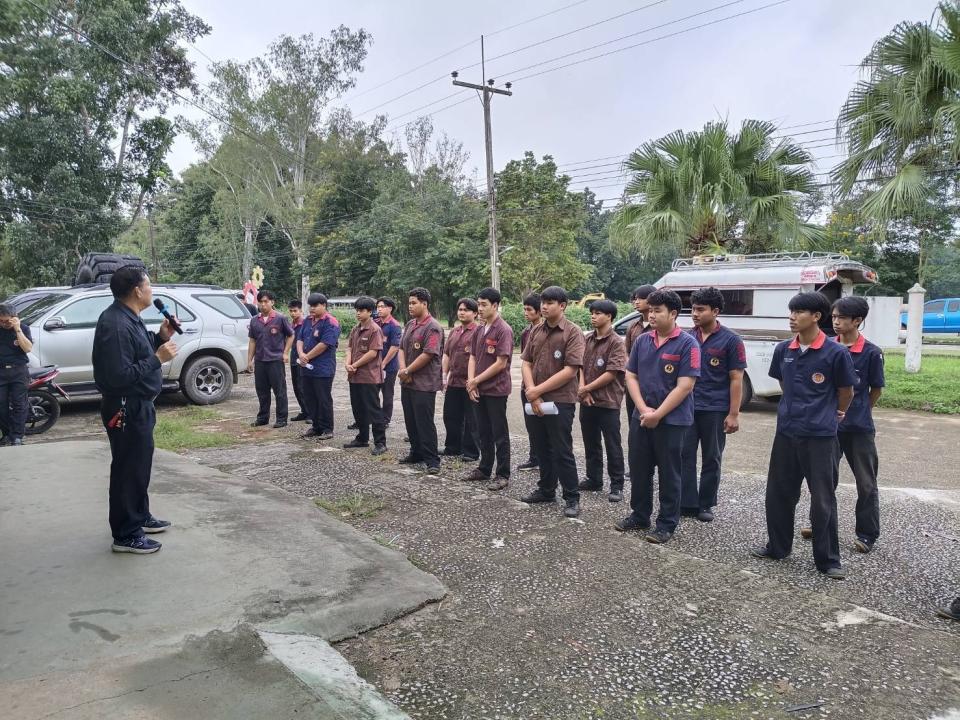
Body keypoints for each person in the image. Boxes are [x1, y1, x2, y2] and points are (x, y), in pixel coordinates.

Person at [751, 292, 856, 580]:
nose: (792, 317)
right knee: (779, 494)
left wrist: (836, 412)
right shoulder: (783, 349)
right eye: (791, 311)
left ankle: (828, 559)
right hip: (787, 432)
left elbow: (846, 391)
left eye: (798, 312)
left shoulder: (836, 353)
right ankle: (777, 547)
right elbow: (784, 382)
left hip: (820, 436)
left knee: (823, 499)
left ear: (816, 317)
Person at [92, 267, 178, 554]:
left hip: (139, 405)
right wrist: (157, 359)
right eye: (149, 285)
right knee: (128, 469)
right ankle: (126, 534)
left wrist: (160, 338)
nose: (152, 290)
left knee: (139, 466)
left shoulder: (130, 317)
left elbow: (137, 351)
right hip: (125, 407)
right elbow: (119, 376)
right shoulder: (115, 324)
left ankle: (139, 516)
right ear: (137, 291)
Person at [615, 289, 700, 544]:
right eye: (650, 310)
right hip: (642, 417)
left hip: (672, 420)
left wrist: (658, 414)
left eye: (657, 311)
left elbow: (685, 385)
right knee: (639, 468)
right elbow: (631, 375)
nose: (651, 315)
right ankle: (640, 515)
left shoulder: (688, 344)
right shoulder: (642, 341)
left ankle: (666, 523)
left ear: (673, 313)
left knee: (669, 472)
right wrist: (643, 409)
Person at [823, 296, 884, 553]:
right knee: (824, 479)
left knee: (866, 483)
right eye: (834, 317)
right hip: (829, 426)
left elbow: (876, 389)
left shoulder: (871, 352)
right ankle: (821, 525)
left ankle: (867, 534)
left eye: (842, 317)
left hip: (859, 428)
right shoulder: (826, 346)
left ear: (858, 320)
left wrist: (860, 411)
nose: (836, 322)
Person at [680, 287, 747, 522]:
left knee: (712, 457)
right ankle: (687, 502)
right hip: (688, 407)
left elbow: (736, 378)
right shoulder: (687, 338)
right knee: (684, 454)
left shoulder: (731, 340)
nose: (695, 314)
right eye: (693, 309)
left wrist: (734, 414)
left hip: (716, 409)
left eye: (701, 309)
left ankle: (706, 503)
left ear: (715, 311)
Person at [520, 286, 586, 519]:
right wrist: (532, 391)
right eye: (543, 302)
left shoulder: (573, 332)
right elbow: (526, 362)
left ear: (563, 305)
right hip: (535, 398)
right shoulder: (536, 330)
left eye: (550, 303)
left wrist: (537, 391)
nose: (544, 307)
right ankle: (546, 490)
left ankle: (572, 497)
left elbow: (570, 371)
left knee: (561, 449)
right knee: (541, 446)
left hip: (560, 401)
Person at [577, 299, 627, 502]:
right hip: (587, 400)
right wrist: (583, 390)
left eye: (598, 313)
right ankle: (594, 478)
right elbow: (579, 366)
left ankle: (617, 484)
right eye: (592, 313)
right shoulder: (587, 339)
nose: (593, 316)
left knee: (612, 444)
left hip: (608, 402)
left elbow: (612, 373)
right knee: (591, 442)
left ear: (609, 316)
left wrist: (586, 388)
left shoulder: (616, 342)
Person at [465, 287, 514, 491]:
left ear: (495, 305)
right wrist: (471, 382)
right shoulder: (479, 329)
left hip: (496, 389)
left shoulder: (503, 330)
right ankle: (484, 468)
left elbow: (501, 363)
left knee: (499, 432)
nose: (480, 308)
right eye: (479, 304)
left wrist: (476, 380)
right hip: (479, 388)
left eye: (484, 305)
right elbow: (472, 357)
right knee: (483, 430)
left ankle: (502, 474)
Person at [398, 287, 444, 473]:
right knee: (410, 420)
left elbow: (428, 354)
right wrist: (403, 370)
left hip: (424, 384)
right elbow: (401, 348)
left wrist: (408, 370)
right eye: (409, 303)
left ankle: (432, 460)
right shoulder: (411, 324)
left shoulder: (433, 327)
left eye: (414, 303)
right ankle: (416, 452)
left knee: (424, 422)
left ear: (424, 304)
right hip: (407, 381)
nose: (410, 306)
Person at [343, 296, 388, 455]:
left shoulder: (374, 329)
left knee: (373, 410)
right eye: (357, 310)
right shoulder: (355, 329)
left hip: (369, 377)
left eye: (361, 310)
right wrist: (347, 363)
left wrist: (354, 365)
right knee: (358, 408)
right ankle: (362, 438)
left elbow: (373, 352)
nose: (358, 313)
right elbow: (349, 348)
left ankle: (380, 442)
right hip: (354, 376)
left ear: (370, 312)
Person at [247, 290, 294, 428]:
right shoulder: (254, 320)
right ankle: (262, 418)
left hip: (275, 360)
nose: (263, 304)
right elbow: (252, 341)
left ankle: (281, 419)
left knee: (280, 391)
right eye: (260, 302)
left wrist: (285, 353)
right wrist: (249, 360)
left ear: (272, 302)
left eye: (266, 301)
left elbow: (291, 335)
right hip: (260, 360)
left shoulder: (280, 318)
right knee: (262, 391)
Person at [296, 293, 340, 440]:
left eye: (315, 306)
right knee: (310, 398)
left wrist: (307, 356)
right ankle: (316, 427)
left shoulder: (330, 322)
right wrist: (301, 354)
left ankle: (327, 429)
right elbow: (300, 339)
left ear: (324, 305)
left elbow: (325, 344)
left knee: (323, 398)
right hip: (306, 367)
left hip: (322, 368)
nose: (312, 308)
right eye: (310, 306)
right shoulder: (307, 321)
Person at [442, 298, 480, 462]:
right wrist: (444, 374)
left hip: (470, 382)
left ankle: (471, 451)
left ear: (475, 313)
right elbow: (446, 354)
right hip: (454, 381)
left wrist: (474, 381)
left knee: (472, 418)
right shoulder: (454, 331)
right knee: (450, 415)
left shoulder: (478, 331)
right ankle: (452, 447)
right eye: (460, 309)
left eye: (466, 310)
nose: (462, 312)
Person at [0, 303, 33, 446]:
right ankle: (7, 434)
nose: (4, 324)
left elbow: (27, 348)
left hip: (18, 371)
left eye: (7, 321)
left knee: (19, 404)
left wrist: (17, 329)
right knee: (1, 405)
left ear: (15, 317)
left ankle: (17, 436)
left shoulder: (23, 328)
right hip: (1, 371)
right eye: (1, 321)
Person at [623, 285, 656, 424]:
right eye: (635, 299)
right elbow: (626, 351)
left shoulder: (658, 326)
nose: (636, 302)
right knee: (633, 419)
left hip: (653, 382)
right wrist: (630, 369)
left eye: (641, 298)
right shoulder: (633, 326)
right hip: (633, 380)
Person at [517, 293, 542, 471]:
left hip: (541, 384)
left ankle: (545, 458)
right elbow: (525, 360)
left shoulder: (545, 331)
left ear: (539, 311)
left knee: (544, 425)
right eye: (524, 309)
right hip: (527, 384)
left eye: (529, 309)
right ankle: (534, 457)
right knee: (531, 424)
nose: (526, 313)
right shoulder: (526, 332)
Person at [375, 297, 403, 427]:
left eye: (382, 307)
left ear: (390, 308)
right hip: (374, 365)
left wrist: (384, 363)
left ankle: (385, 419)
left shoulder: (394, 326)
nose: (379, 309)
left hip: (389, 366)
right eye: (378, 307)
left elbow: (395, 347)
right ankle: (373, 416)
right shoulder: (375, 323)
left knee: (387, 394)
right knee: (372, 392)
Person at [287, 300, 309, 422]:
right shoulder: (290, 325)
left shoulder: (306, 324)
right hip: (293, 358)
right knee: (296, 387)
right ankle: (304, 411)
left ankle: (310, 413)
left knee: (304, 387)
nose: (293, 313)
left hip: (304, 359)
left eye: (295, 311)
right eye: (291, 311)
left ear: (301, 311)